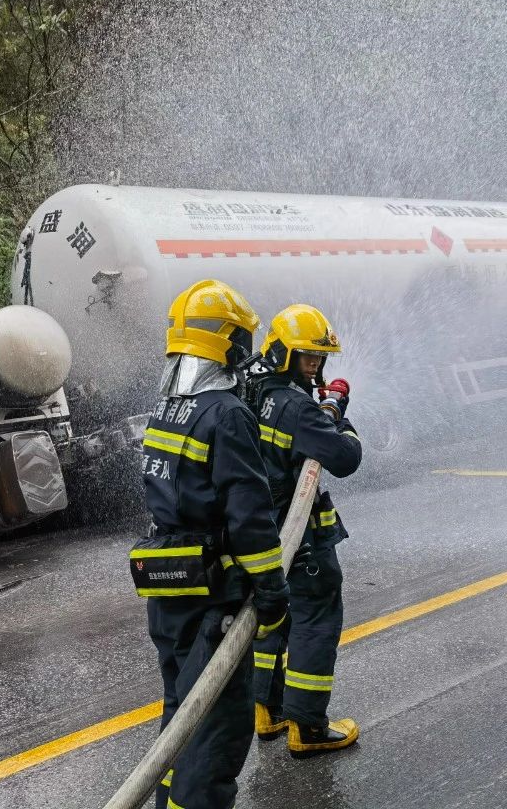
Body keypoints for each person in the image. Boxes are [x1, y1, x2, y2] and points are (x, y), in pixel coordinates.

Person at [133, 279, 290, 809]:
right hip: (213, 597)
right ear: (230, 343)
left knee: (180, 715)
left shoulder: (166, 408)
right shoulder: (225, 415)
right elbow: (248, 514)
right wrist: (271, 589)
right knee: (217, 730)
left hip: (169, 588)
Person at [247, 304, 363, 757]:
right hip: (300, 537)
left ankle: (267, 710)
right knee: (315, 618)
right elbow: (346, 458)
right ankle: (308, 728)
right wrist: (337, 413)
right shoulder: (298, 407)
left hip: (261, 530)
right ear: (283, 353)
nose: (314, 365)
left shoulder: (250, 388)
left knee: (270, 617)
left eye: (319, 358)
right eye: (307, 357)